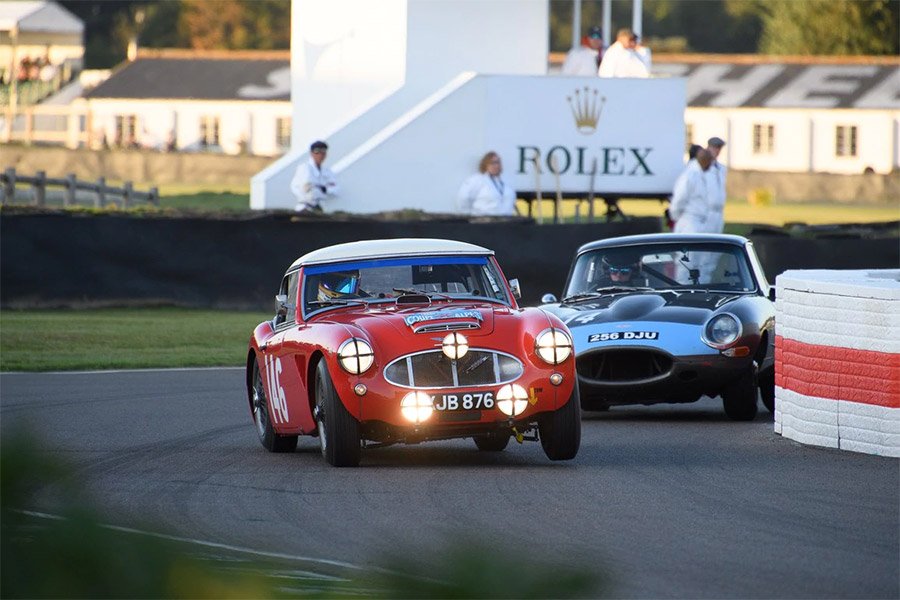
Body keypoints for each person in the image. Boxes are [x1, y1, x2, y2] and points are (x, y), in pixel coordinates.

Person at [456, 151, 519, 216]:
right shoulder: (477, 180)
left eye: (498, 162)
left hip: (506, 221)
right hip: (484, 221)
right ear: (485, 165)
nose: (496, 166)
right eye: (492, 163)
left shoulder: (506, 182)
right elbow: (463, 199)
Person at [669, 148, 713, 234]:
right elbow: (679, 199)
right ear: (706, 161)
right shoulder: (690, 175)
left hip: (698, 222)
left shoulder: (701, 174)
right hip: (689, 223)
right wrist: (676, 216)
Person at [291, 140, 339, 212]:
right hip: (305, 207)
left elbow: (335, 189)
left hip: (320, 206)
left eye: (323, 152)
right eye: (317, 152)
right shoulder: (305, 167)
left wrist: (325, 189)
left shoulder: (327, 171)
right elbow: (303, 187)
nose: (320, 155)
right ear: (312, 153)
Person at [704, 136, 727, 234]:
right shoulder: (703, 167)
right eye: (715, 147)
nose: (717, 151)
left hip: (718, 212)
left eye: (719, 148)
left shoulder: (721, 168)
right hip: (707, 210)